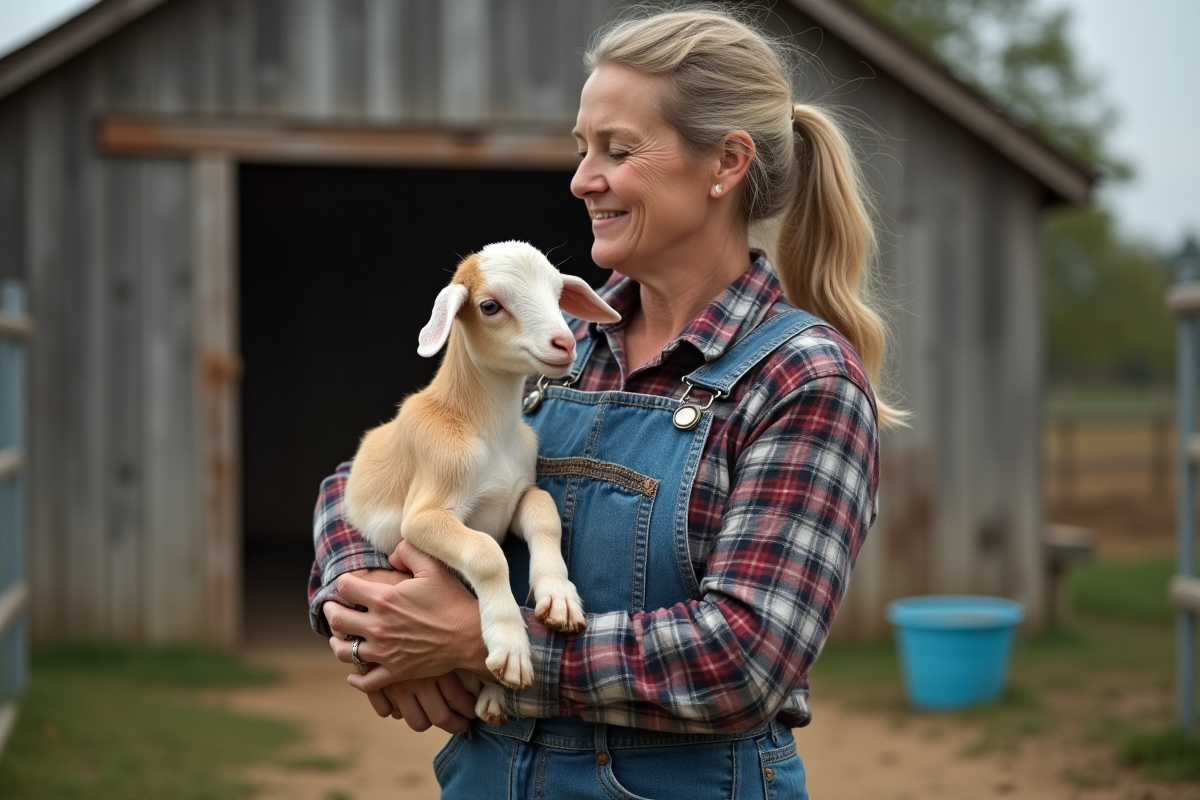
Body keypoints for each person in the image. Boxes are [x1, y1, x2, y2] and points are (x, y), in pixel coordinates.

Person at [308, 7, 903, 799]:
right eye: (582, 148)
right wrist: (372, 606)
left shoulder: (804, 378)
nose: (582, 179)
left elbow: (743, 659)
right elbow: (365, 478)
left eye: (617, 151)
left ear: (726, 163)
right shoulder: (555, 346)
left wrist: (478, 640)